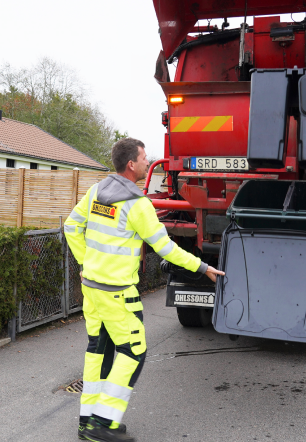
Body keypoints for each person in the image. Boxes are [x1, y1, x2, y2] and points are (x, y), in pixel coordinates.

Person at [65, 138, 225, 442]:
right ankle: (103, 423)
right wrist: (204, 268)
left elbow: (71, 227)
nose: (146, 160)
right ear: (131, 165)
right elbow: (165, 248)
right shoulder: (137, 204)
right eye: (143, 157)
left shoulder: (97, 192)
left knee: (98, 349)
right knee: (133, 352)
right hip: (116, 292)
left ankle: (88, 421)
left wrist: (86, 262)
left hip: (92, 289)